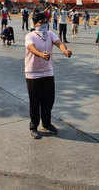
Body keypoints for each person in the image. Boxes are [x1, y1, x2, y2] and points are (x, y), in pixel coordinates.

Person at [25, 11, 72, 139]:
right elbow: (31, 47)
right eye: (41, 22)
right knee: (35, 102)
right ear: (35, 24)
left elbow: (58, 43)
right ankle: (34, 126)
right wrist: (41, 54)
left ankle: (46, 123)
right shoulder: (30, 35)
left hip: (48, 72)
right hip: (33, 74)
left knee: (49, 100)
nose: (44, 24)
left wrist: (65, 50)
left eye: (46, 21)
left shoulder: (50, 34)